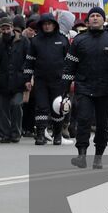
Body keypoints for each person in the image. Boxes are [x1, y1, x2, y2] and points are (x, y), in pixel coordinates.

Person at [64, 7, 108, 169]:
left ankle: (98, 156)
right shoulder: (79, 40)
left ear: (103, 20)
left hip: (106, 89)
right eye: (92, 16)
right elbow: (69, 66)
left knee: (102, 124)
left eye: (97, 16)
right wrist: (64, 89)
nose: (94, 18)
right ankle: (81, 155)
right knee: (84, 120)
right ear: (87, 20)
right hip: (84, 87)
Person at [24, 14, 68, 145]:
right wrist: (27, 79)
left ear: (54, 24)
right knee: (41, 107)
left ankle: (57, 134)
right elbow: (29, 61)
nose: (47, 26)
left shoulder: (63, 40)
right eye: (45, 24)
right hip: (41, 80)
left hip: (58, 81)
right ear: (41, 25)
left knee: (57, 108)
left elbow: (70, 62)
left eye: (50, 23)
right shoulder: (35, 41)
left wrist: (70, 79)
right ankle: (40, 134)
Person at [0, 16, 28, 143]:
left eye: (8, 28)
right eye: (3, 28)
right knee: (3, 108)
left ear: (12, 28)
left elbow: (27, 60)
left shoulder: (23, 41)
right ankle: (5, 134)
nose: (5, 31)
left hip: (18, 80)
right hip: (3, 81)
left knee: (16, 105)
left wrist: (26, 76)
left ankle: (16, 132)